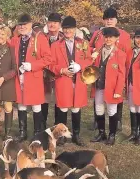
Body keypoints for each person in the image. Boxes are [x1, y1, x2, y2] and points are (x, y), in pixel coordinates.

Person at [50, 16, 92, 146]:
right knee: (63, 108)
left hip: (79, 80)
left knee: (76, 108)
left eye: (70, 29)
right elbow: (50, 65)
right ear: (63, 29)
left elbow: (90, 59)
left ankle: (76, 135)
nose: (68, 31)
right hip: (63, 81)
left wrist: (81, 66)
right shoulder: (56, 45)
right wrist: (62, 70)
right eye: (66, 28)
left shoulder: (83, 43)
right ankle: (61, 136)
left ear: (75, 29)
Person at [89, 7, 131, 132]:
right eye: (106, 19)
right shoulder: (97, 34)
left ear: (116, 20)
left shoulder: (125, 35)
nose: (109, 21)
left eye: (111, 19)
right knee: (98, 97)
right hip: (99, 70)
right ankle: (97, 120)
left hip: (116, 70)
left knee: (116, 96)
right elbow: (90, 46)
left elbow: (127, 54)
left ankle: (117, 120)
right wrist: (92, 52)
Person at [11, 14, 52, 141]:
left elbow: (48, 59)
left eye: (24, 24)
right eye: (20, 25)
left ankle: (37, 133)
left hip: (33, 77)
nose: (22, 27)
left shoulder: (39, 38)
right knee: (21, 104)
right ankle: (22, 133)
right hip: (20, 77)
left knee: (36, 106)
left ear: (30, 24)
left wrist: (32, 65)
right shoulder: (16, 40)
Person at [90, 27, 126, 145]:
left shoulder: (120, 54)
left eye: (111, 37)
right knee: (99, 109)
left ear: (116, 38)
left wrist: (118, 90)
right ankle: (101, 133)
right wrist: (92, 58)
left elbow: (121, 74)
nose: (108, 39)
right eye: (106, 37)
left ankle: (112, 134)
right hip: (99, 85)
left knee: (112, 110)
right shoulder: (98, 51)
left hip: (112, 87)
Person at [45, 12, 64, 129]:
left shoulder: (63, 38)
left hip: (58, 74)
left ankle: (58, 127)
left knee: (59, 101)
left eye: (55, 23)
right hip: (44, 74)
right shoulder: (41, 37)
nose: (52, 25)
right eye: (50, 22)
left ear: (59, 25)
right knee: (44, 101)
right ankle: (42, 126)